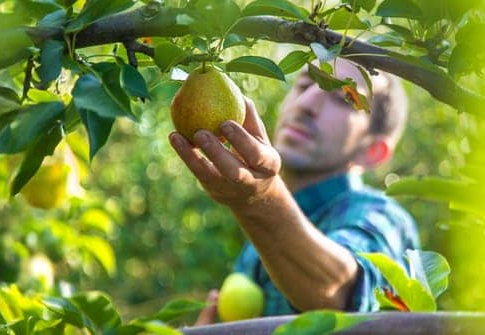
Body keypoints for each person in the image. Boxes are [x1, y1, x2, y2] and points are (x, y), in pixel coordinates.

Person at [170, 58, 421, 324]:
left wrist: (260, 201)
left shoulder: (385, 218)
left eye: (342, 98)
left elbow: (346, 291)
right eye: (303, 85)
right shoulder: (258, 245)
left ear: (372, 151)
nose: (306, 105)